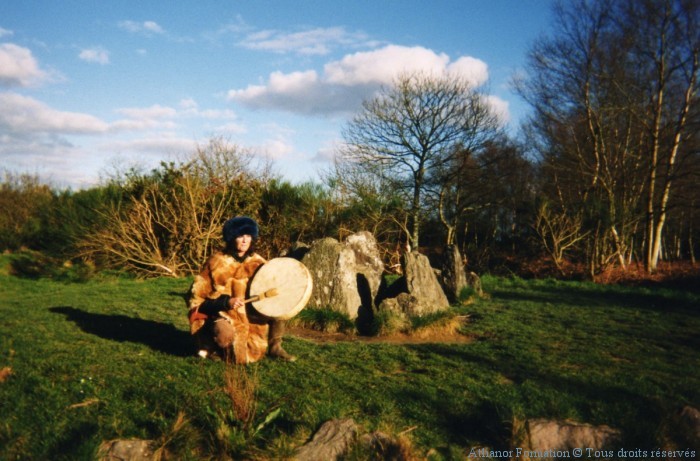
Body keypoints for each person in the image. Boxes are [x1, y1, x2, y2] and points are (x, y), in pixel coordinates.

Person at [186, 216, 296, 363]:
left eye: (248, 236)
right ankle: (212, 347)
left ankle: (275, 347)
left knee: (279, 309)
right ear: (231, 238)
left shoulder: (258, 262)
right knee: (225, 335)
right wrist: (226, 302)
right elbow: (198, 299)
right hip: (223, 313)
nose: (245, 240)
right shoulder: (216, 262)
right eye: (240, 236)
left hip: (250, 312)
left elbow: (271, 287)